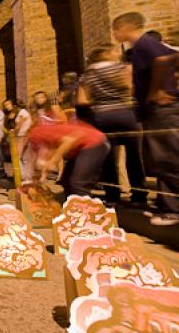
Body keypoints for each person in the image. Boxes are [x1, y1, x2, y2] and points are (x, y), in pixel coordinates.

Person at [113, 12, 179, 225]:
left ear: (125, 27)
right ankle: (167, 207)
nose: (114, 34)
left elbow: (164, 59)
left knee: (168, 158)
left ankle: (173, 210)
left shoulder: (144, 44)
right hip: (154, 111)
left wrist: (156, 90)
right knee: (159, 160)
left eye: (116, 29)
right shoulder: (143, 46)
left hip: (161, 109)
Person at [76, 45, 148, 206]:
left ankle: (112, 195)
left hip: (101, 117)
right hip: (126, 114)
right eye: (115, 51)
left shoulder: (87, 74)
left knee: (108, 158)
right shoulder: (123, 68)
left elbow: (82, 100)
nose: (118, 53)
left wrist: (99, 102)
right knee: (134, 156)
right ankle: (139, 195)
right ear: (106, 54)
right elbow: (131, 88)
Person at [28, 121, 110, 197]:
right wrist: (43, 173)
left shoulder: (37, 134)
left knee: (77, 184)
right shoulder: (40, 134)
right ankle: (71, 205)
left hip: (94, 142)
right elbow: (49, 153)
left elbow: (69, 141)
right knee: (66, 181)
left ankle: (83, 210)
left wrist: (52, 162)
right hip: (88, 144)